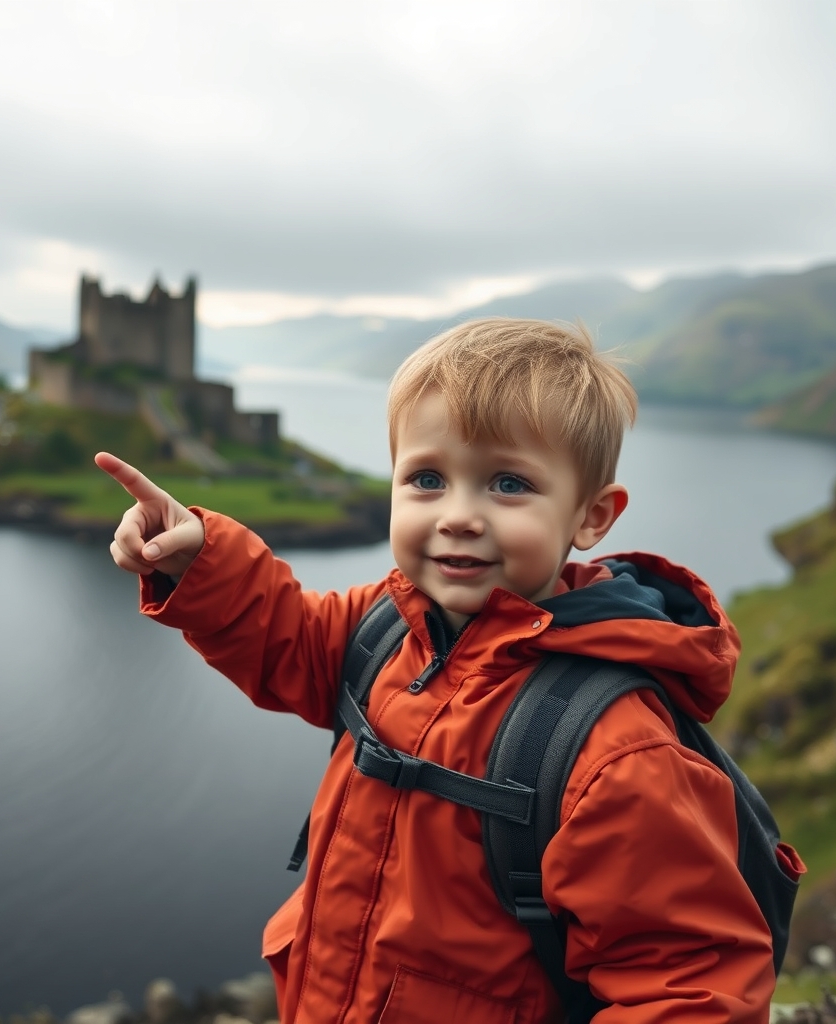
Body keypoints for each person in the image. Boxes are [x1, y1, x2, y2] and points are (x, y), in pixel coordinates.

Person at [96, 318, 786, 1024]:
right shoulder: (388, 627)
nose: (459, 515)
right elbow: (285, 636)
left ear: (592, 515)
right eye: (427, 478)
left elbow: (688, 990)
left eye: (508, 483)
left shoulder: (613, 751)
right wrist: (199, 558)